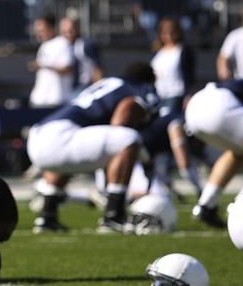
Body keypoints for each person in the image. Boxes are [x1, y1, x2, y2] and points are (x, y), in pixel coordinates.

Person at [26, 62, 160, 232]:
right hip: (61, 135)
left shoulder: (108, 82)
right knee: (129, 137)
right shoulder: (141, 88)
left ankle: (47, 216)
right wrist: (145, 159)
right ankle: (114, 215)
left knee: (68, 152)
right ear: (152, 79)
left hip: (40, 135)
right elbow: (127, 111)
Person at [185, 80, 243, 228]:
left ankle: (206, 206)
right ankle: (240, 208)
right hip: (222, 105)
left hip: (196, 106)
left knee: (237, 152)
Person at [150, 16, 195, 114]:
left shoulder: (183, 50)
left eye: (172, 32)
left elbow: (189, 74)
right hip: (159, 95)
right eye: (165, 32)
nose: (169, 35)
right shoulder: (158, 52)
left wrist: (188, 95)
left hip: (175, 93)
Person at [28, 14, 74, 108]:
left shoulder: (62, 43)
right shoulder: (43, 46)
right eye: (38, 31)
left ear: (51, 28)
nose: (39, 33)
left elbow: (67, 69)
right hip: (39, 101)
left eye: (42, 30)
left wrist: (44, 65)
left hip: (56, 100)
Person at [60, 16, 103, 92]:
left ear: (77, 29)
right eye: (64, 32)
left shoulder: (85, 44)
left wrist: (97, 89)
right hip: (64, 89)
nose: (67, 34)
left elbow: (97, 69)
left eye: (70, 31)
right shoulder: (61, 45)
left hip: (83, 87)